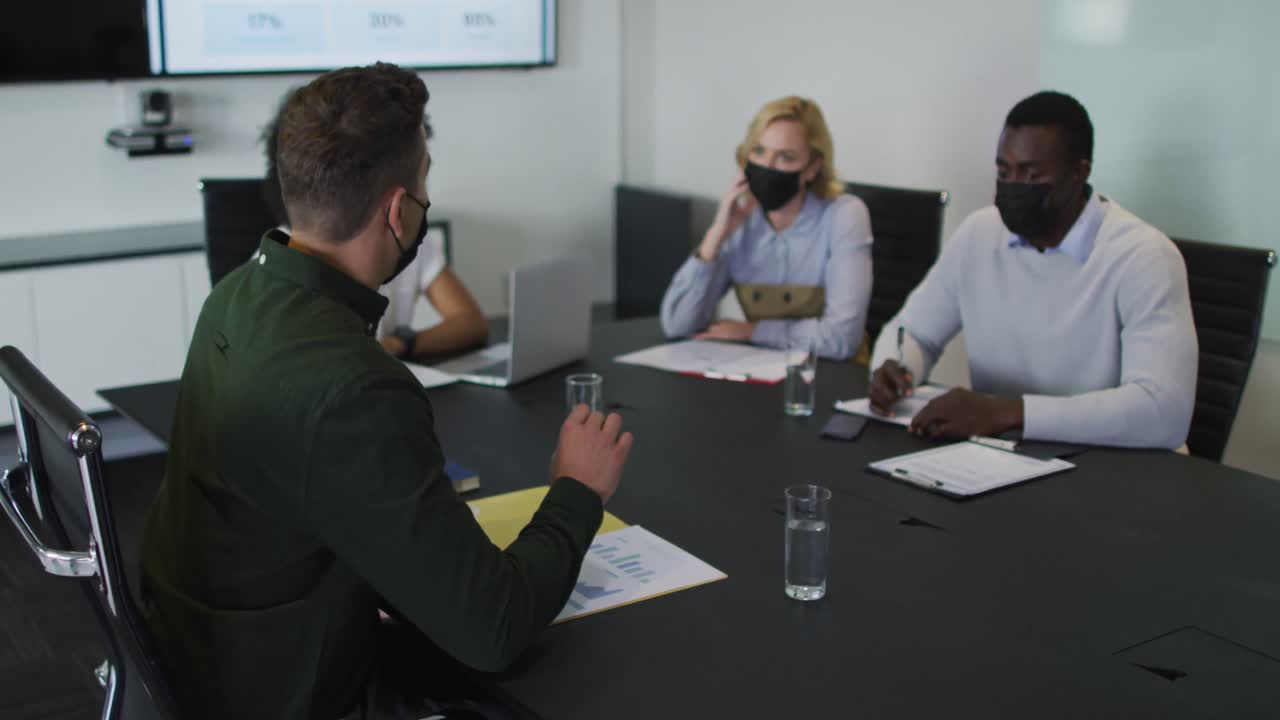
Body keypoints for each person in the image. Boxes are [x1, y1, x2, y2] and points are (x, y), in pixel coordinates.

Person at [140, 63, 634, 720]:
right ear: (399, 209)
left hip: (198, 654)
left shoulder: (235, 296)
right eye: (425, 179)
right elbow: (493, 629)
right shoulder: (354, 384)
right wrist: (577, 491)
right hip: (284, 690)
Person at [868, 91, 1197, 449]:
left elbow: (1163, 412)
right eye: (1003, 171)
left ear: (1079, 173)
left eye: (1031, 174)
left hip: (1113, 468)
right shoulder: (980, 234)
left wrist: (1009, 412)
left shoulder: (1144, 257)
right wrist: (897, 367)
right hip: (1001, 459)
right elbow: (914, 330)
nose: (1012, 186)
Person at [262, 102, 487, 359]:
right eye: (419, 179)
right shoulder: (282, 266)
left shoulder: (411, 243)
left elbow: (470, 322)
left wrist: (399, 344)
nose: (424, 198)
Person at [658, 96, 873, 360]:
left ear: (813, 167)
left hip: (836, 380)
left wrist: (752, 331)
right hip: (767, 374)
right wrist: (716, 235)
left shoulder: (844, 215)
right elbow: (677, 325)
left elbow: (841, 341)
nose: (767, 167)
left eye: (785, 157)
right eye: (759, 151)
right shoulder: (740, 219)